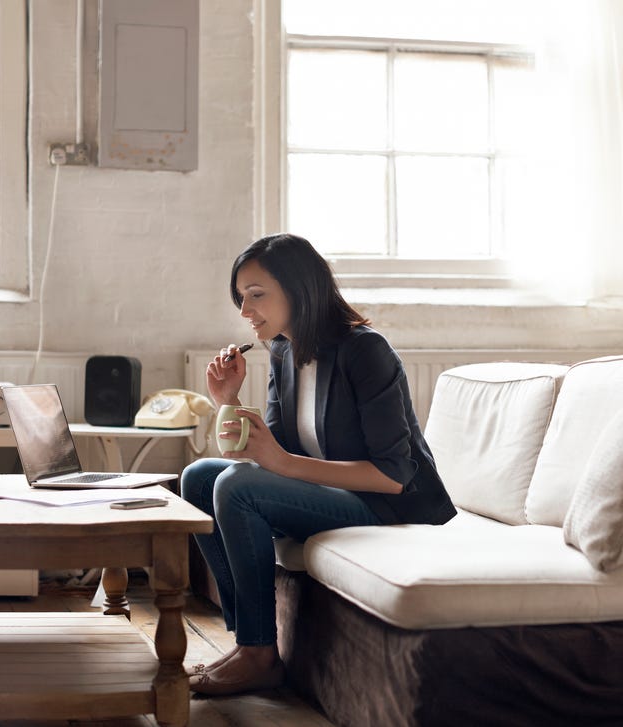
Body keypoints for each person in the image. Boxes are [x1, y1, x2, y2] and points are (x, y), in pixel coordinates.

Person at [182, 233, 456, 697]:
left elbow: (394, 475)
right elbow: (247, 457)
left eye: (256, 295)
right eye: (240, 299)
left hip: (391, 507)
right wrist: (226, 401)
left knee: (234, 487)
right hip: (337, 496)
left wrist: (283, 463)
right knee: (201, 478)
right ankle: (246, 639)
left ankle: (259, 654)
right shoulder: (285, 353)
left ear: (299, 287)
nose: (245, 312)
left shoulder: (365, 351)